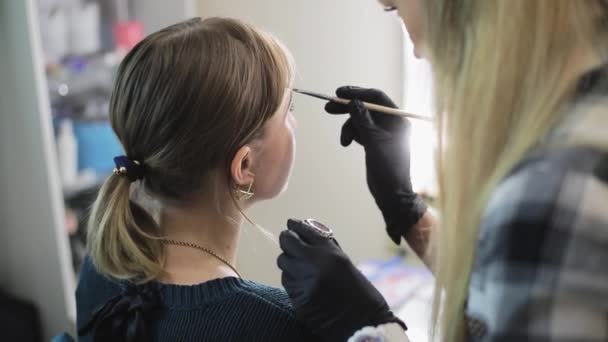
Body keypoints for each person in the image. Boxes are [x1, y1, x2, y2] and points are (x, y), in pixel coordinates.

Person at [278, 0, 608, 341]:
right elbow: (498, 288)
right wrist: (406, 209)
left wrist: (369, 327)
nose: (418, 50)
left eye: (396, 7)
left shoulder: (554, 193)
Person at [76, 17, 318, 341]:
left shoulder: (101, 269)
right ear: (244, 165)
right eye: (289, 109)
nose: (296, 124)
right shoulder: (278, 325)